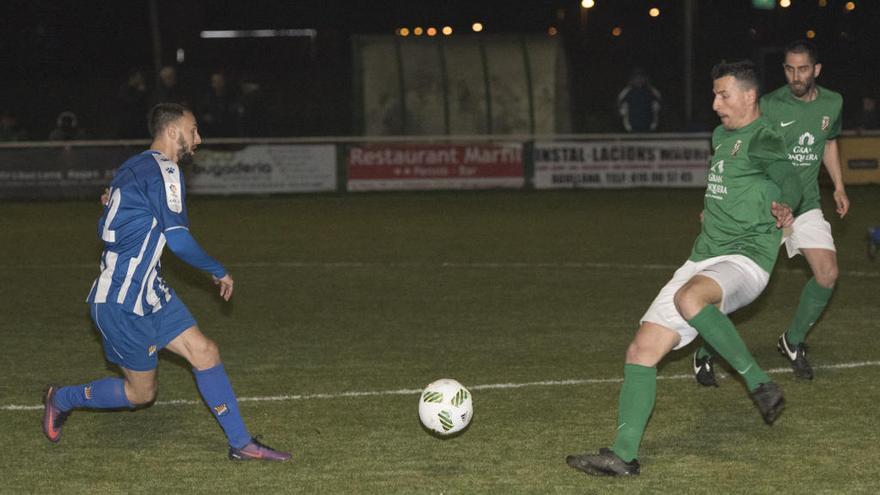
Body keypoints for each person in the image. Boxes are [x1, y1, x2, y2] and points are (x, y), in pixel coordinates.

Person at [565, 60, 802, 477]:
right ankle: (623, 455)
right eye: (714, 94)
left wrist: (786, 204)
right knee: (642, 350)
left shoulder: (764, 136)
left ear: (749, 97)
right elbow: (734, 185)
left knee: (689, 298)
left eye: (723, 95)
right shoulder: (719, 136)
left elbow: (791, 179)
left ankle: (758, 381)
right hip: (704, 254)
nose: (715, 104)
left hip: (747, 258)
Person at [42, 103, 291, 462]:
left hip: (150, 292)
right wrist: (217, 269)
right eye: (194, 130)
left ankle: (241, 443)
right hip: (121, 301)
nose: (198, 138)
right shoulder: (165, 170)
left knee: (205, 352)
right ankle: (61, 398)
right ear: (173, 132)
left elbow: (108, 219)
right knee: (141, 394)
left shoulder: (133, 167)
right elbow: (178, 239)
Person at [693, 40, 847, 385]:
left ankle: (792, 341)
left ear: (816, 70)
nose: (796, 75)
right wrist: (719, 202)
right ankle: (705, 352)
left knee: (827, 273)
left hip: (804, 204)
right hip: (762, 208)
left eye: (803, 68)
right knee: (734, 289)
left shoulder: (833, 103)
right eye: (789, 69)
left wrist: (838, 185)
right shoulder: (767, 105)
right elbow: (733, 151)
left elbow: (829, 142)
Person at [616, 68, 662, 132]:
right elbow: (619, 102)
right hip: (631, 126)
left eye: (641, 77)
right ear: (632, 79)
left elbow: (659, 101)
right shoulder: (628, 91)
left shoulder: (650, 90)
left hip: (648, 125)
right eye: (636, 77)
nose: (639, 79)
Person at [197, 70, 237, 137]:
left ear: (224, 82)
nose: (218, 84)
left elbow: (232, 116)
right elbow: (202, 115)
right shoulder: (206, 99)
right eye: (215, 81)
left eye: (220, 81)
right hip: (210, 133)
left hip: (228, 133)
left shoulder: (232, 99)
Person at [116, 68, 150, 139]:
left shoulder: (142, 89)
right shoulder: (125, 89)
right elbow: (130, 103)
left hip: (140, 122)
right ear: (133, 78)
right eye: (139, 77)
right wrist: (140, 93)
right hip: (128, 122)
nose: (141, 80)